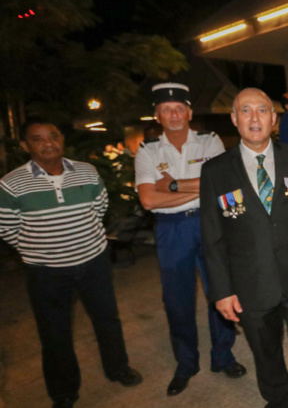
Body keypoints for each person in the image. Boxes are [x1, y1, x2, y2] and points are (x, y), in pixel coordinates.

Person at [201, 88, 288, 408]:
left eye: (262, 110)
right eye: (245, 111)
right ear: (234, 119)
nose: (254, 118)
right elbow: (213, 238)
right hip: (251, 281)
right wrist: (222, 291)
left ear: (273, 118)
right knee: (265, 351)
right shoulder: (215, 171)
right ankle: (277, 399)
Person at [0, 120, 143, 408]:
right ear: (26, 145)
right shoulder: (11, 184)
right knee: (54, 331)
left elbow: (99, 208)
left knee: (107, 320)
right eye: (38, 138)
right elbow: (7, 228)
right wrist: (42, 251)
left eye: (54, 136)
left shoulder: (87, 172)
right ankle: (64, 392)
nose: (48, 143)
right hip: (46, 272)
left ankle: (118, 368)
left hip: (93, 262)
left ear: (62, 139)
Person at [134, 83, 245, 396]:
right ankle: (186, 363)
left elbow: (221, 184)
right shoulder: (147, 150)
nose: (173, 115)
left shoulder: (210, 141)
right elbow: (148, 201)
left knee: (220, 290)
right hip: (171, 230)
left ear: (190, 112)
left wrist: (170, 186)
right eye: (166, 110)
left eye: (179, 108)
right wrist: (199, 187)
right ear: (157, 115)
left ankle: (223, 356)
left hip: (210, 223)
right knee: (177, 300)